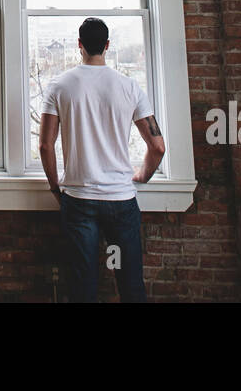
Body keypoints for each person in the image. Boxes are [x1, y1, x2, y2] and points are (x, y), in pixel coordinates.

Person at [38, 17, 165, 303]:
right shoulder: (129, 86)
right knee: (130, 283)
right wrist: (142, 176)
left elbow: (46, 145)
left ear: (79, 45)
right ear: (107, 46)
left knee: (83, 288)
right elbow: (157, 146)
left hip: (79, 199)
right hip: (120, 201)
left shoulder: (60, 85)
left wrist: (55, 188)